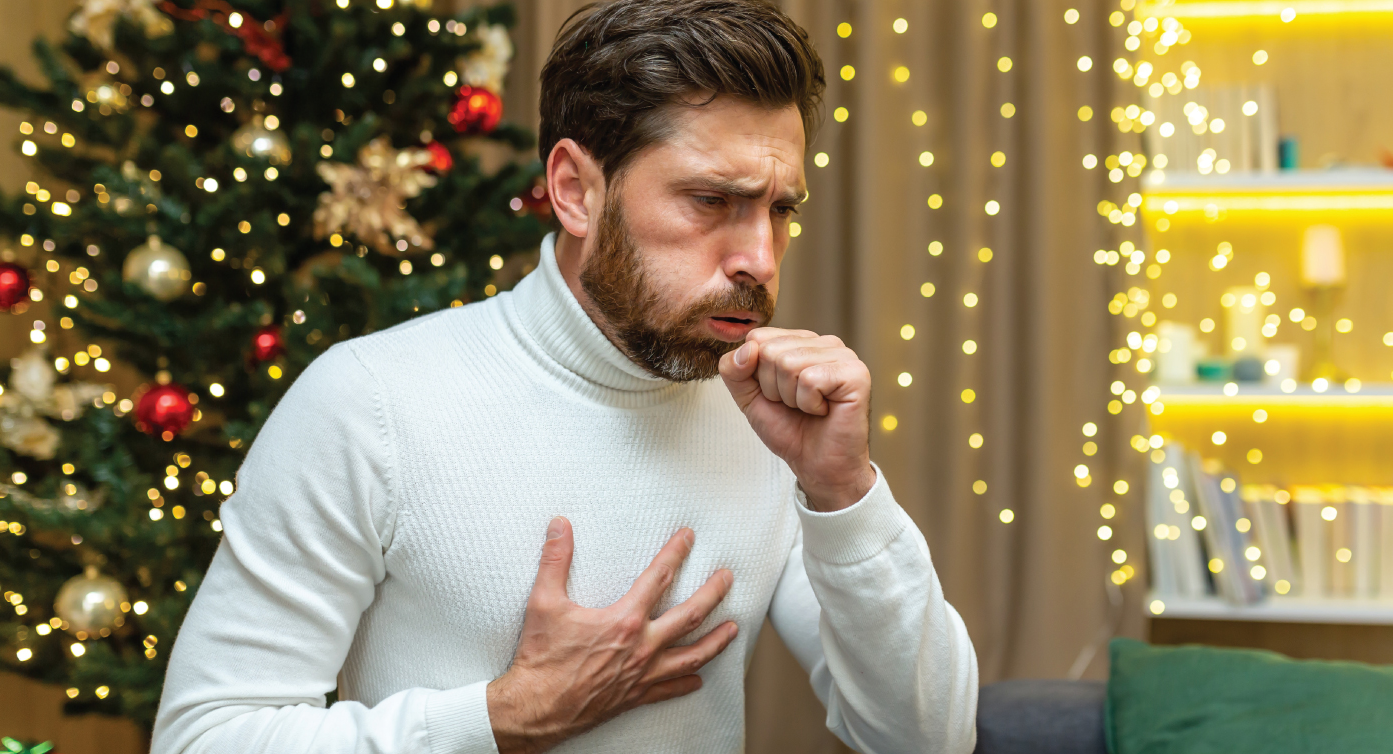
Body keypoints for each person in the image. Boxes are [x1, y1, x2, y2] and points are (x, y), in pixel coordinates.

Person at [151, 1, 979, 752]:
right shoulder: (369, 402)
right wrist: (502, 717)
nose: (759, 259)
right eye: (709, 201)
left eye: (780, 210)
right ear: (576, 190)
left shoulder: (769, 423)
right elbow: (203, 739)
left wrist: (845, 493)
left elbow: (926, 739)